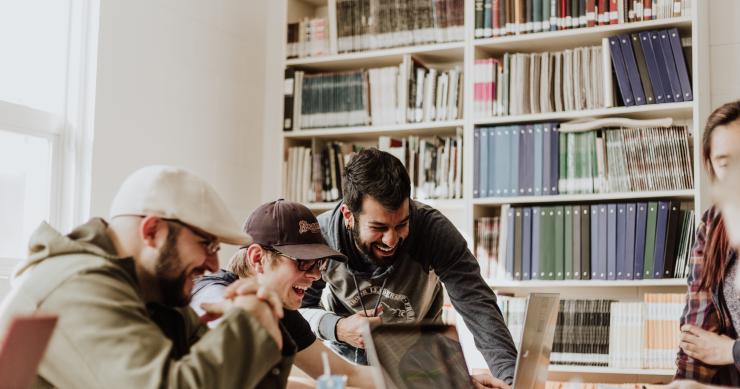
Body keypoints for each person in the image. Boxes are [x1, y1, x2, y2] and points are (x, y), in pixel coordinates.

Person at [0, 165, 289, 388]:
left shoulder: (152, 294)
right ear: (152, 231)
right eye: (207, 245)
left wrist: (264, 322)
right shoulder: (79, 286)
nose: (215, 265)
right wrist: (248, 325)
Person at [299, 148, 518, 387]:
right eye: (379, 228)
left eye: (401, 224)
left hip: (421, 362)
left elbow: (478, 306)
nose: (391, 240)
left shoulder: (433, 231)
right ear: (348, 215)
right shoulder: (321, 239)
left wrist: (511, 380)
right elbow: (299, 311)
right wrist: (337, 327)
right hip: (348, 368)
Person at [189, 199, 375, 388]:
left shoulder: (281, 308)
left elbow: (349, 374)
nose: (316, 275)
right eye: (303, 262)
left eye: (319, 263)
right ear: (258, 258)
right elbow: (216, 305)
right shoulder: (210, 289)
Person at [675, 100, 740, 386]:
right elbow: (697, 333)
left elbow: (718, 348)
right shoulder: (713, 224)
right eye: (725, 163)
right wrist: (684, 384)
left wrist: (730, 350)